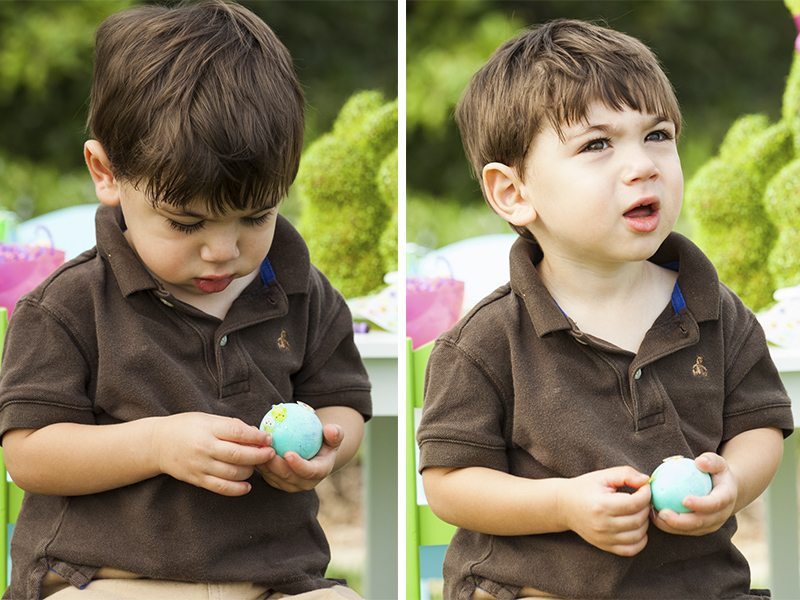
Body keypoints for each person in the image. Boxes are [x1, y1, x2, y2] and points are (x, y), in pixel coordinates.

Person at [0, 2, 371, 599]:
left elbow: (342, 405)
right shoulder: (69, 305)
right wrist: (156, 443)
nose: (222, 252)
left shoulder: (303, 292)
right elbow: (29, 455)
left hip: (272, 581)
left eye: (256, 216)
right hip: (107, 580)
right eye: (184, 223)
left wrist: (324, 449)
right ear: (107, 172)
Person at [417, 19, 794, 600]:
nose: (643, 164)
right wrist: (563, 505)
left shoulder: (714, 311)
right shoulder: (488, 339)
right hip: (534, 590)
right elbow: (449, 484)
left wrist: (734, 482)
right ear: (514, 193)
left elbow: (759, 424)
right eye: (597, 144)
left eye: (658, 135)